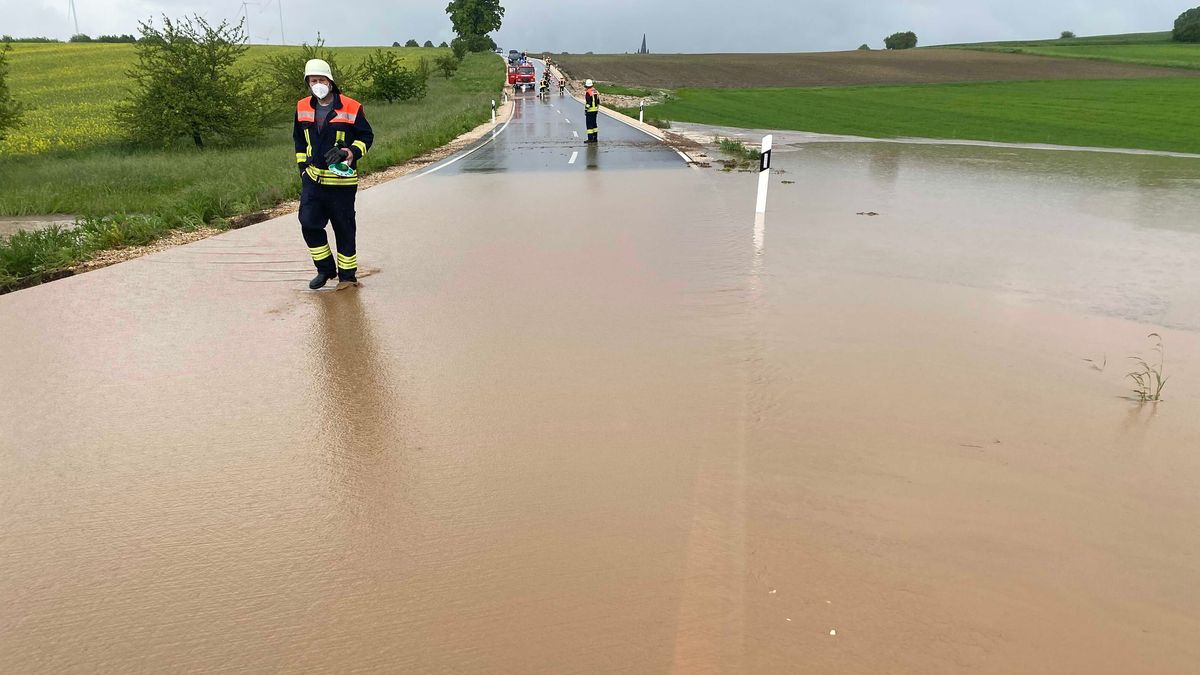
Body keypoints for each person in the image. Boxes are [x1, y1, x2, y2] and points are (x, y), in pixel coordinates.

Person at [293, 59, 374, 290]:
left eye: (321, 80)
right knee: (308, 223)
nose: (317, 84)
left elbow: (367, 137)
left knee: (344, 227)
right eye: (313, 80)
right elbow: (299, 141)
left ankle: (347, 277)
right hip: (313, 180)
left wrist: (351, 151)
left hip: (342, 182)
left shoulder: (351, 107)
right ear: (308, 82)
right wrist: (302, 171)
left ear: (330, 81)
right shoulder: (301, 107)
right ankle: (325, 269)